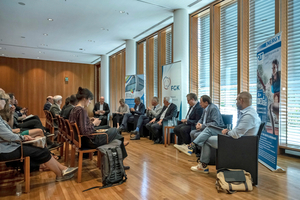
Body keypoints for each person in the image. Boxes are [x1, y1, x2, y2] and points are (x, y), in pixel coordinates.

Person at [0, 90, 78, 182]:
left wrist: (21, 137)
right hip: (6, 149)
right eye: (3, 99)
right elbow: (9, 136)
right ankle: (60, 175)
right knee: (42, 151)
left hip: (9, 145)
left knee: (40, 145)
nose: (5, 102)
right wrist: (23, 137)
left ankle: (63, 168)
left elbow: (8, 132)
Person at [189, 92, 261, 173]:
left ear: (241, 100)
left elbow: (235, 135)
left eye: (236, 100)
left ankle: (201, 164)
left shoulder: (249, 116)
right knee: (209, 128)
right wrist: (229, 131)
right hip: (238, 138)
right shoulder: (249, 112)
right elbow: (238, 132)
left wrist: (227, 133)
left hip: (238, 143)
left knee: (206, 139)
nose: (236, 102)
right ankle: (193, 146)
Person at [69, 87, 129, 164]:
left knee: (113, 131)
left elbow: (80, 125)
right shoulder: (82, 110)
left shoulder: (74, 110)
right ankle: (120, 156)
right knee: (115, 130)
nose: (90, 102)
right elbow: (85, 131)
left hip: (81, 140)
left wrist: (89, 121)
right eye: (89, 100)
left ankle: (119, 143)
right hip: (90, 141)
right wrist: (94, 123)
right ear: (84, 99)